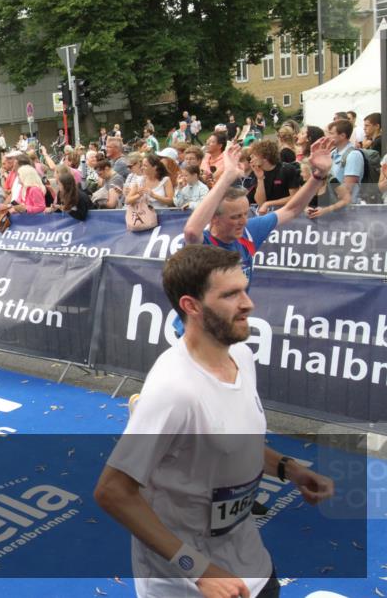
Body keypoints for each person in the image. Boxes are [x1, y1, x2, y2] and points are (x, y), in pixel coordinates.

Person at [94, 245, 334, 598]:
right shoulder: (174, 390)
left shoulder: (241, 356)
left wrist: (289, 468)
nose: (248, 304)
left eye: (245, 289)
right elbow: (112, 491)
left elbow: (232, 440)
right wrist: (199, 570)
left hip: (250, 564)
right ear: (191, 306)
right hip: (188, 585)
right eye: (231, 295)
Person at [183, 137, 333, 289]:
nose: (243, 221)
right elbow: (191, 232)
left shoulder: (248, 232)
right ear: (214, 219)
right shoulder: (204, 244)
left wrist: (318, 175)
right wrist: (228, 176)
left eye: (245, 214)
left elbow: (292, 209)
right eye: (235, 217)